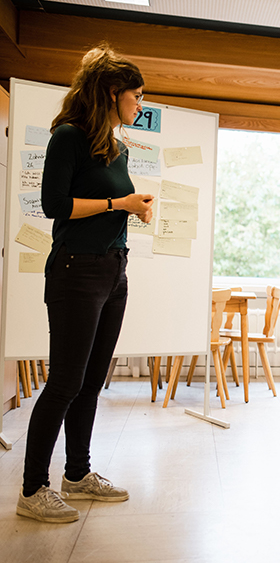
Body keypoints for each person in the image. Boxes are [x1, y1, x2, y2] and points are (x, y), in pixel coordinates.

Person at [17, 45, 155, 524]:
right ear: (113, 93)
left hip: (113, 269)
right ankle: (33, 488)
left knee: (92, 382)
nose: (140, 105)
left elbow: (111, 202)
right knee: (65, 383)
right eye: (136, 96)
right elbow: (55, 206)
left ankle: (78, 475)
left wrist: (133, 207)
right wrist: (121, 204)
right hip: (76, 269)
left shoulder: (113, 144)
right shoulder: (69, 137)